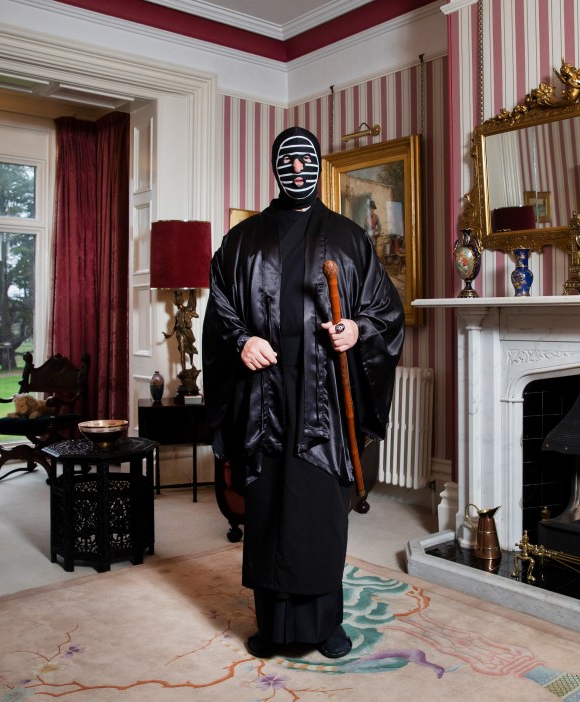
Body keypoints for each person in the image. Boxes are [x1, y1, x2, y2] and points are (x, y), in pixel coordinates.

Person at [203, 126, 405, 660]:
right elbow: (220, 310)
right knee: (268, 506)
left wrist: (357, 330)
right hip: (263, 390)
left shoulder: (348, 237)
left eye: (307, 161)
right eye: (287, 162)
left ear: (318, 166)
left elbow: (385, 310)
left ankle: (325, 626)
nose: (297, 171)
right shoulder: (243, 239)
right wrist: (241, 340)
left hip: (325, 393)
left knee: (319, 505)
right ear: (275, 168)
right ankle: (274, 628)